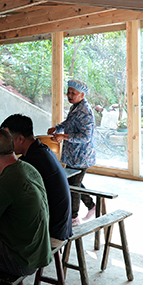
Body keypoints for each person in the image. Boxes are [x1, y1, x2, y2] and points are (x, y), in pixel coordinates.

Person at [0, 114, 72, 241]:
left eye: (8, 139)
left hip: (49, 230)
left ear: (20, 139)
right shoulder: (39, 150)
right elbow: (8, 172)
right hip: (57, 224)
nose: (5, 143)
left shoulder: (33, 160)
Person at [0, 129, 51, 280]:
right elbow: (12, 193)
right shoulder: (27, 168)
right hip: (36, 252)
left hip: (21, 259)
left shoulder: (5, 182)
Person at [48, 79, 96, 225]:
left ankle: (74, 217)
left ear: (82, 95)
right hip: (72, 155)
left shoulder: (85, 112)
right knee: (74, 181)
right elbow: (68, 123)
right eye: (68, 92)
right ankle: (92, 206)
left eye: (73, 93)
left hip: (82, 156)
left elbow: (85, 137)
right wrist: (57, 128)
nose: (69, 95)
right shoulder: (75, 107)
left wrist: (63, 136)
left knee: (73, 187)